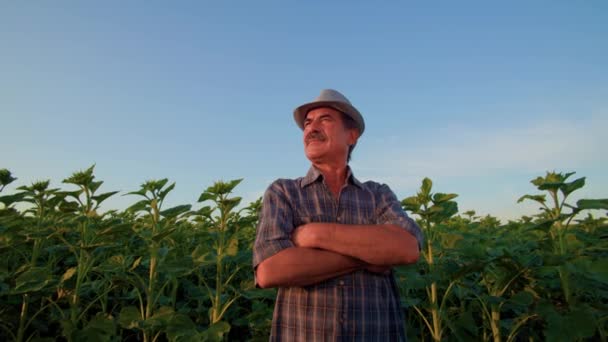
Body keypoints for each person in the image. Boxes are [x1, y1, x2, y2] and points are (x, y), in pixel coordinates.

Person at [253, 89, 424, 341]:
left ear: (351, 135)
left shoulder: (378, 194)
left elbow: (407, 248)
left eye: (325, 119)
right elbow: (270, 270)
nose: (311, 128)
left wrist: (314, 234)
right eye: (308, 123)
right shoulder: (284, 192)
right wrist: (368, 256)